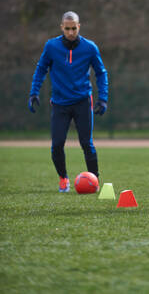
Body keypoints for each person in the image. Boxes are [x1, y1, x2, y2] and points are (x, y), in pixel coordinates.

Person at [28, 11, 108, 193]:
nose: (71, 32)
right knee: (57, 144)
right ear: (62, 27)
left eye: (74, 28)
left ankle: (94, 180)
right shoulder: (51, 46)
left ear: (79, 27)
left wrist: (103, 98)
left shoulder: (89, 47)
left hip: (82, 101)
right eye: (67, 28)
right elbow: (41, 70)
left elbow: (101, 73)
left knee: (87, 143)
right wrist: (34, 93)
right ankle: (63, 178)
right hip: (59, 103)